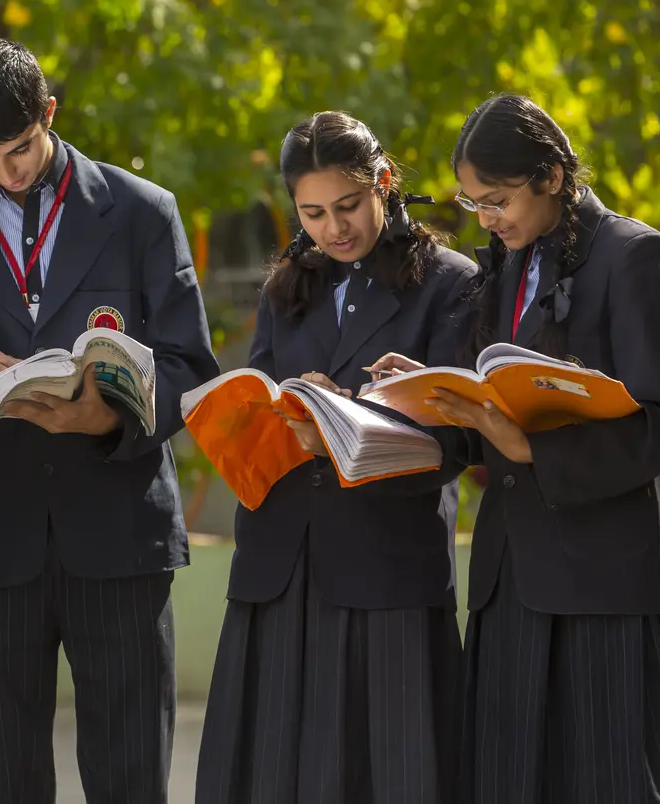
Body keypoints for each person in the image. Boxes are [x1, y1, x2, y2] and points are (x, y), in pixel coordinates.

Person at [0, 38, 221, 804]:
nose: (6, 174)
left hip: (121, 533)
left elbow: (190, 368)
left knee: (131, 771)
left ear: (49, 111)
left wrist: (103, 418)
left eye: (18, 149)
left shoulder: (143, 212)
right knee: (2, 777)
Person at [392, 93, 660, 802]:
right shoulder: (507, 263)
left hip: (608, 582)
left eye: (497, 199)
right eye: (472, 202)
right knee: (510, 779)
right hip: (512, 579)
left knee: (612, 778)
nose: (485, 219)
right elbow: (485, 407)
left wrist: (532, 449)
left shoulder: (635, 256)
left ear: (550, 176)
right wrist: (419, 397)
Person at [193, 112, 475, 804]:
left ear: (384, 183)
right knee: (271, 777)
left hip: (385, 566)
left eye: (347, 206)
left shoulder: (450, 282)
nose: (332, 228)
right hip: (280, 563)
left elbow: (459, 442)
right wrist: (285, 412)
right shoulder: (288, 283)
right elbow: (258, 399)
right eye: (312, 213)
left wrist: (356, 417)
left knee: (391, 771)